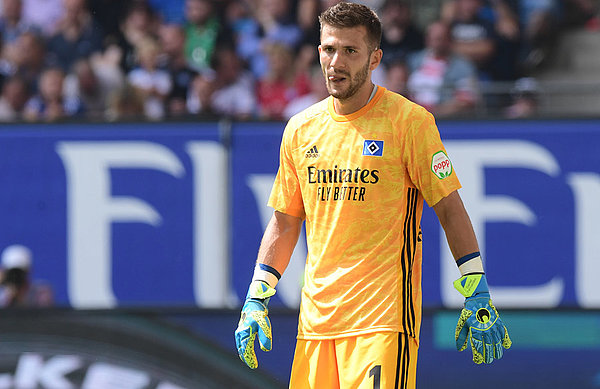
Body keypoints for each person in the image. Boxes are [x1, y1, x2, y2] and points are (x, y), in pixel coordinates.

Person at [234, 2, 512, 388]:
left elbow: (449, 208)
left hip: (382, 322)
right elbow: (285, 221)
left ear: (375, 57)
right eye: (329, 49)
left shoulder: (410, 122)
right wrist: (257, 296)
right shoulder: (299, 130)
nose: (336, 61)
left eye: (350, 50)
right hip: (316, 325)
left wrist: (476, 288)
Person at [407, 21, 480, 117]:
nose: (435, 43)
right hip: (411, 118)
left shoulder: (463, 67)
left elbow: (466, 101)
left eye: (439, 39)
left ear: (449, 41)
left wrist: (432, 112)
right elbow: (397, 88)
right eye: (432, 38)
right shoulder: (412, 61)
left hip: (445, 121)